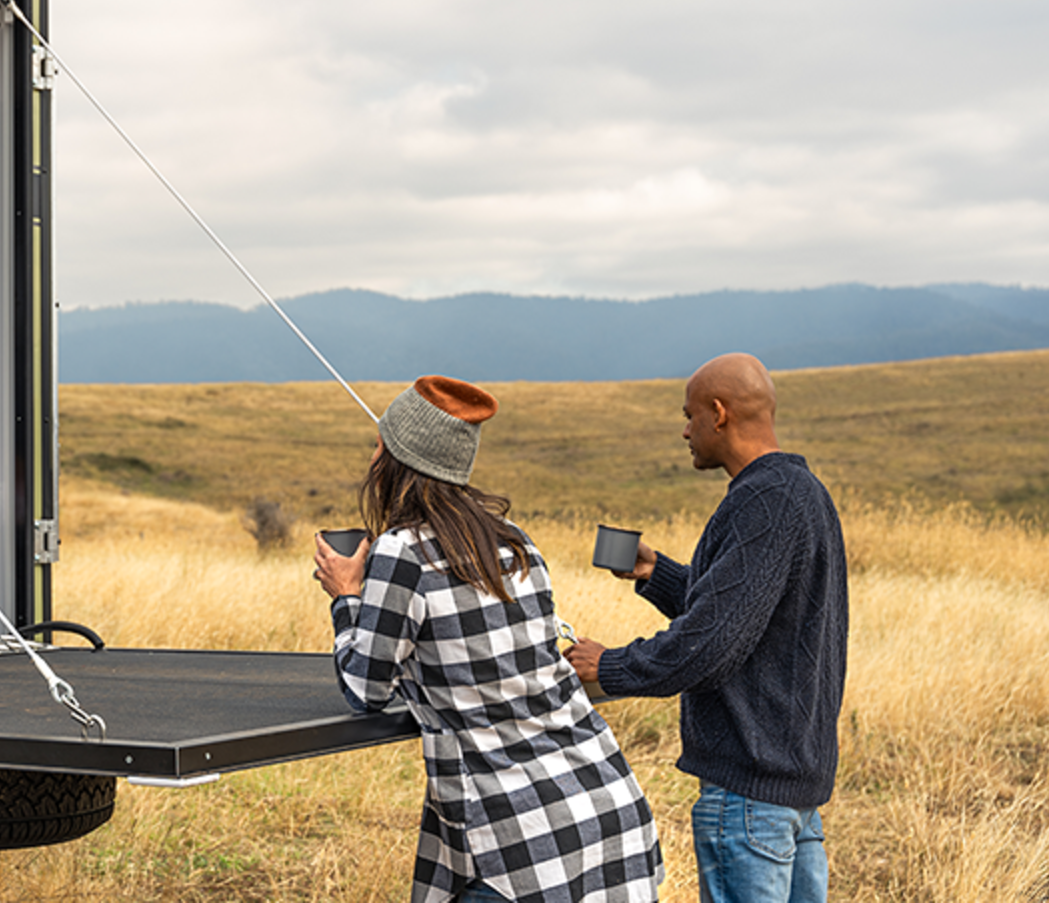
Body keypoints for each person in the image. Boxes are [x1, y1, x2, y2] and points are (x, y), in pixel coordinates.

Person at [316, 375, 662, 903]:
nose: (371, 459)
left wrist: (346, 597)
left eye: (380, 446)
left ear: (399, 462)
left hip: (522, 841)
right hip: (608, 807)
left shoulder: (401, 551)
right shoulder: (516, 541)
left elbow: (366, 689)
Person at [563, 353, 848, 903]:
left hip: (749, 795)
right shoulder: (802, 491)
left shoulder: (762, 499)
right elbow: (748, 612)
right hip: (792, 794)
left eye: (689, 415)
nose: (685, 431)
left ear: (718, 413)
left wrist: (610, 666)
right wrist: (656, 573)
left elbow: (712, 645)